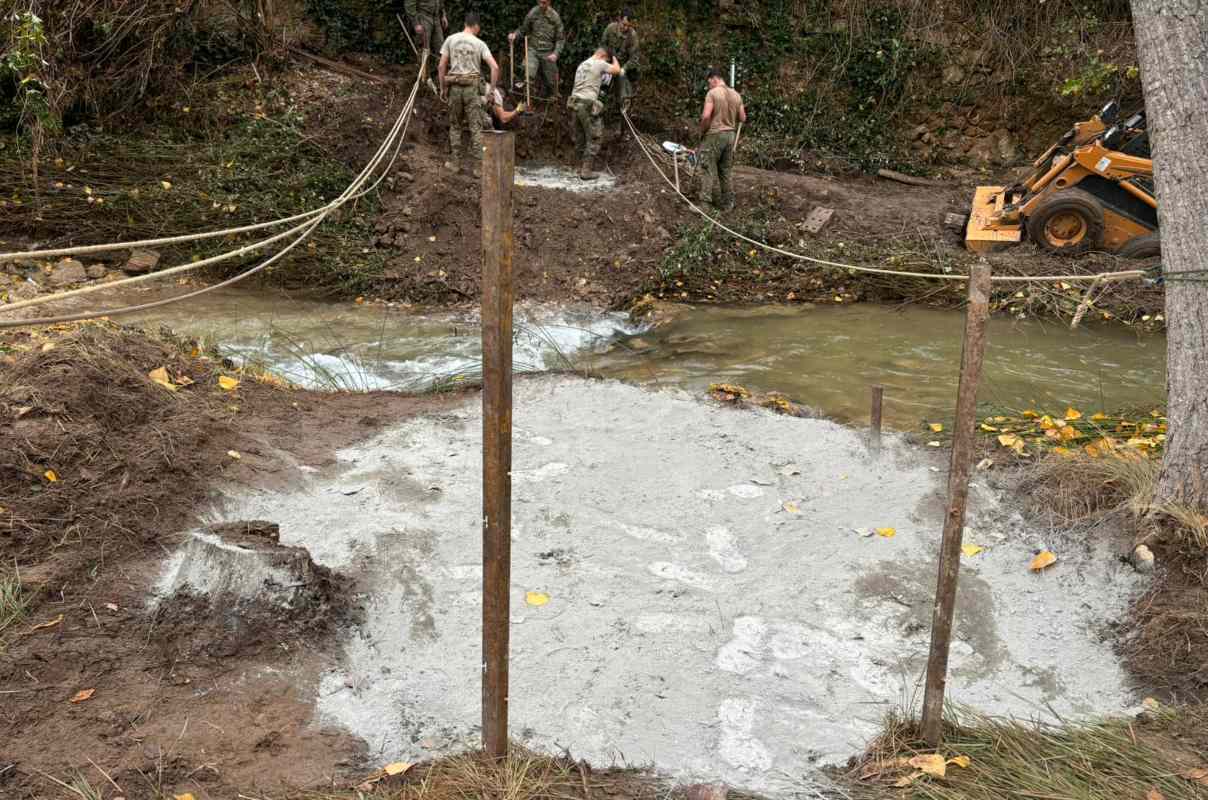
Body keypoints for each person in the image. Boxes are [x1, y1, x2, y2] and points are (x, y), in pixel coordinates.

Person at [438, 13, 499, 175]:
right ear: (476, 26)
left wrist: (443, 87)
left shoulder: (450, 39)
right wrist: (491, 92)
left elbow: (441, 66)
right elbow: (495, 67)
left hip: (454, 88)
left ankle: (455, 164)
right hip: (472, 89)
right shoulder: (480, 43)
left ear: (465, 23)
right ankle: (478, 169)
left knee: (455, 126)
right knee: (475, 128)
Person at [568, 47, 622, 180]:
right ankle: (586, 171)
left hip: (574, 102)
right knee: (594, 137)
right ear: (603, 56)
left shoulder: (583, 64)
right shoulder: (599, 63)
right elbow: (617, 70)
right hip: (587, 103)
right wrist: (614, 58)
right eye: (607, 60)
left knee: (580, 137)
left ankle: (576, 167)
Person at [697, 68, 746, 210]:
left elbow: (706, 116)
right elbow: (743, 118)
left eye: (709, 82)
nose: (709, 86)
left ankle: (704, 205)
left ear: (714, 78)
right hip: (730, 136)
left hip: (715, 134)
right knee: (725, 170)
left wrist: (702, 131)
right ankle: (728, 204)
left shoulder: (712, 93)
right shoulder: (736, 95)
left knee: (707, 167)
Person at [508, 0, 565, 99]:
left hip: (548, 52)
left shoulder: (555, 17)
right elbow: (523, 30)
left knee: (552, 81)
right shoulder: (533, 13)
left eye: (544, 2)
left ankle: (551, 98)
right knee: (528, 76)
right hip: (533, 50)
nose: (541, 5)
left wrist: (556, 53)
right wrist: (515, 35)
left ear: (549, 2)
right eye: (540, 2)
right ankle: (527, 103)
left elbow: (560, 39)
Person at [600, 9, 639, 111]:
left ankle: (622, 104)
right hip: (608, 61)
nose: (625, 28)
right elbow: (603, 45)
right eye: (624, 24)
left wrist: (624, 69)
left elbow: (634, 58)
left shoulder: (632, 36)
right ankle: (600, 101)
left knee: (622, 81)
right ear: (619, 20)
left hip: (623, 65)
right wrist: (604, 61)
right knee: (603, 84)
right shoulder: (610, 29)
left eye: (628, 26)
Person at [405, 0, 447, 81]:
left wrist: (443, 15)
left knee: (441, 48)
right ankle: (424, 79)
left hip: (436, 17)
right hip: (423, 18)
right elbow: (409, 4)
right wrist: (416, 23)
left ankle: (439, 78)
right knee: (425, 49)